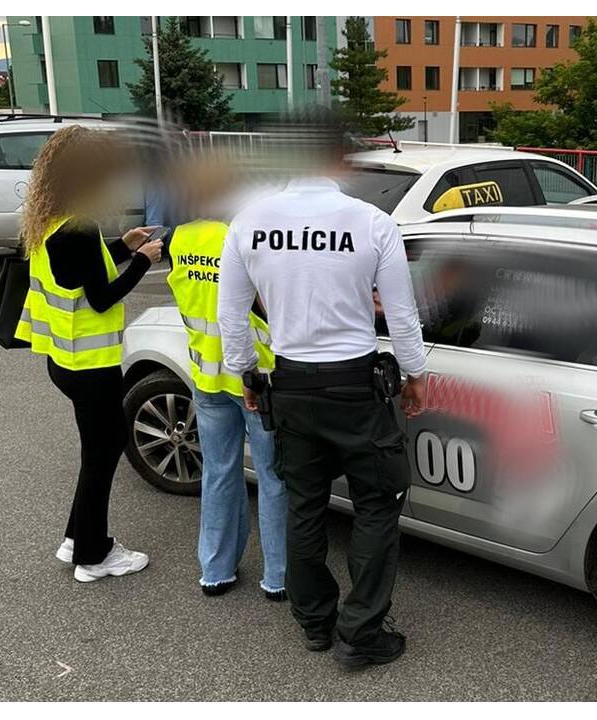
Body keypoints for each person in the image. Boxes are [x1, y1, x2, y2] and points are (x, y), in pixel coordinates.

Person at [217, 121, 427, 667]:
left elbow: (231, 318)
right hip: (357, 387)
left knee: (304, 507)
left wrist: (246, 375)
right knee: (377, 505)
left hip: (291, 386)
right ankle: (361, 631)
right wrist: (415, 375)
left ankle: (314, 622)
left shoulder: (248, 223)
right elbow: (401, 315)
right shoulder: (373, 223)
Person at [14, 125, 164, 583]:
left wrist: (124, 245)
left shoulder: (50, 223)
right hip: (91, 366)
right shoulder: (78, 228)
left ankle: (75, 538)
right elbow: (101, 298)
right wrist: (144, 261)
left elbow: (80, 276)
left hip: (64, 359)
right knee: (104, 452)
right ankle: (94, 557)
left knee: (95, 450)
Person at [165, 161, 288, 600]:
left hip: (206, 374)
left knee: (218, 472)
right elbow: (267, 308)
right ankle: (278, 577)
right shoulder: (245, 237)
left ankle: (215, 570)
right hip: (258, 377)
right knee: (274, 477)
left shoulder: (183, 237)